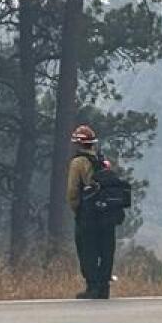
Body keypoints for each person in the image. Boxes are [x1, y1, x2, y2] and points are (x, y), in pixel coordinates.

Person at [66, 124, 117, 299]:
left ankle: (92, 287)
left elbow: (72, 191)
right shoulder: (103, 162)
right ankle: (104, 287)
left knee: (87, 250)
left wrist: (77, 210)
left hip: (88, 215)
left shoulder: (77, 163)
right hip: (107, 214)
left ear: (78, 144)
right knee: (106, 249)